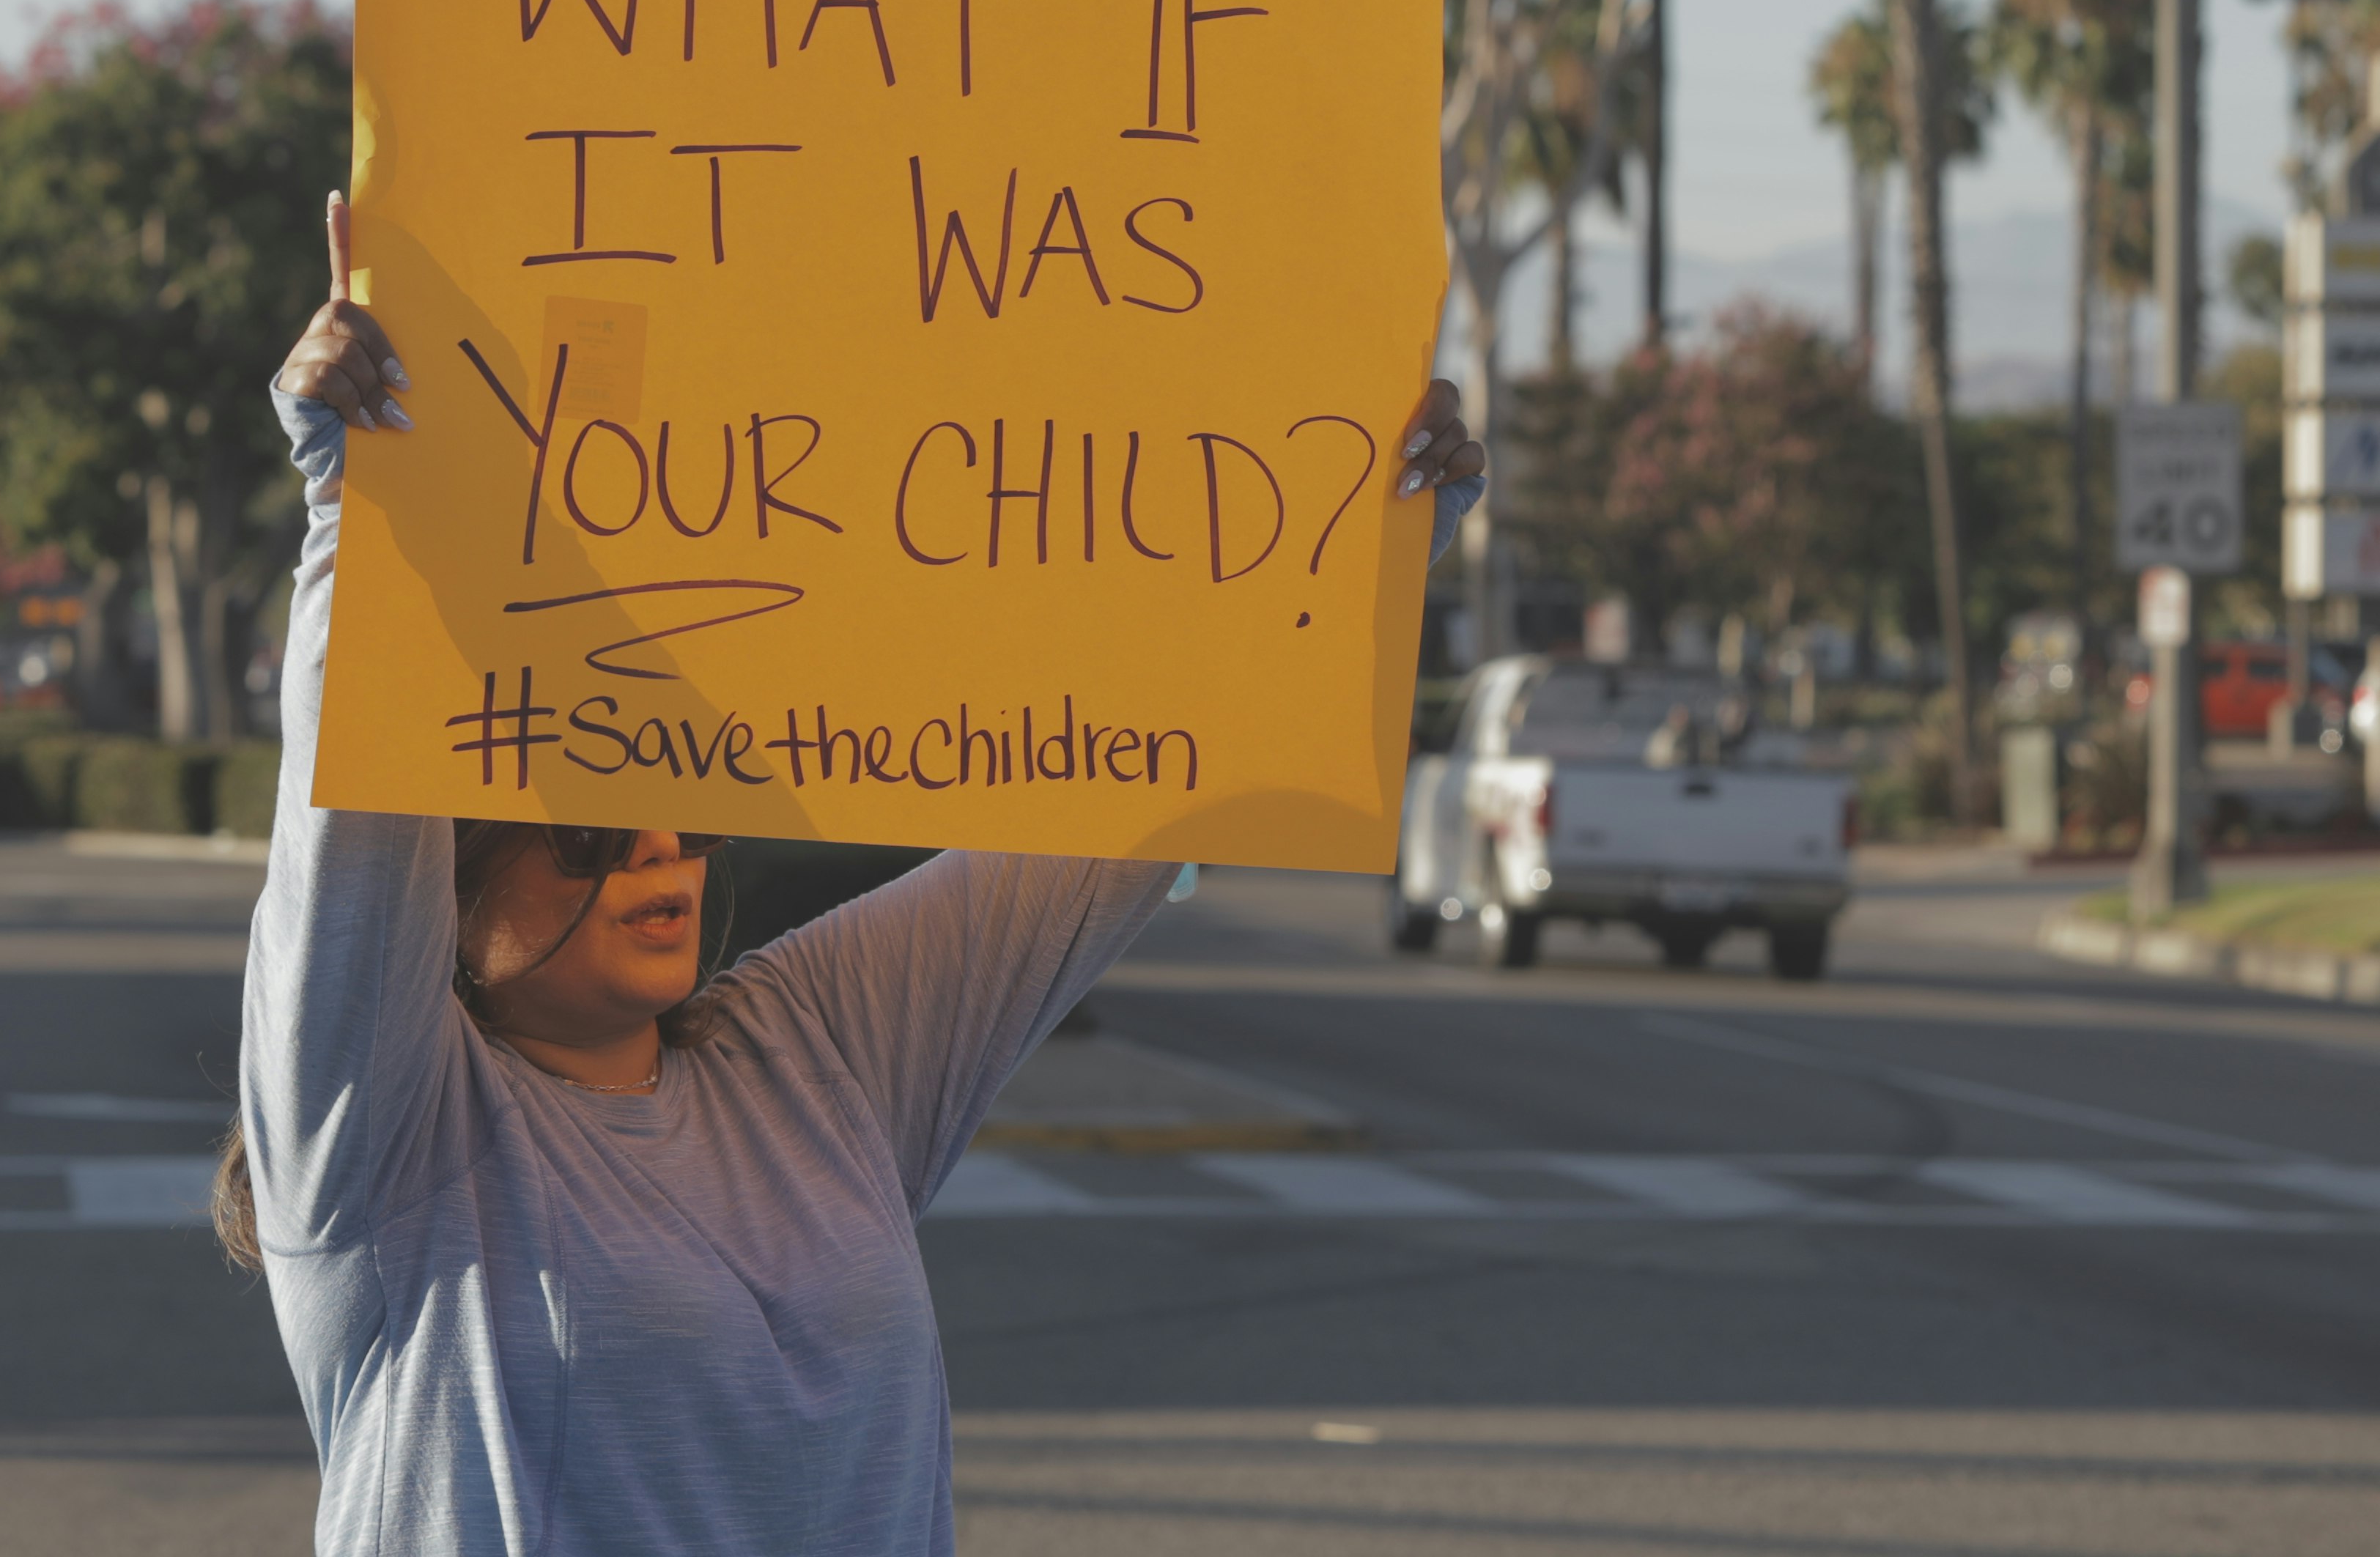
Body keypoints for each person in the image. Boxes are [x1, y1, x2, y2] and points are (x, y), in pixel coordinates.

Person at [226, 193, 1483, 1554]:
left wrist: (1365, 541)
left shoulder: (813, 1049)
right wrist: (362, 509)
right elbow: (345, 824)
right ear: (448, 891)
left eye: (678, 807)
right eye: (585, 828)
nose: (660, 848)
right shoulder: (390, 1145)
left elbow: (1136, 807)